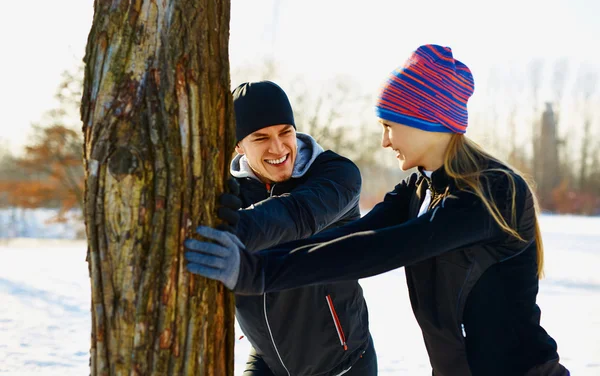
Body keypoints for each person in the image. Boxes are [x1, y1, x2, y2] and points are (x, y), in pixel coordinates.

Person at [185, 46, 570, 376]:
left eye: (390, 125)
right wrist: (252, 259)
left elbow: (386, 248)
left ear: (426, 121)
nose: (385, 141)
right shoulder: (419, 189)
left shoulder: (494, 190)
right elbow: (349, 238)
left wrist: (256, 271)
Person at [186, 80, 377, 375]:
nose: (278, 147)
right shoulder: (227, 191)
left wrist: (235, 229)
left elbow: (296, 214)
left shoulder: (336, 175)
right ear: (238, 145)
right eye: (261, 137)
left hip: (343, 363)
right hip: (269, 362)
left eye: (285, 132)